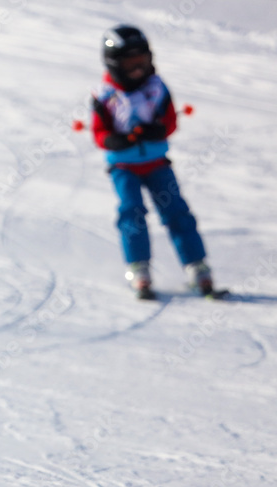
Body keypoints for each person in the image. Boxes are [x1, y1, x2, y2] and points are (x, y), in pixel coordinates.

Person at [91, 24, 215, 299]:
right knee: (132, 211)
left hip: (157, 163)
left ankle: (197, 266)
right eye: (130, 62)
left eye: (142, 61)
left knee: (176, 211)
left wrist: (157, 130)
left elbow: (169, 121)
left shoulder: (157, 89)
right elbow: (99, 133)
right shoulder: (105, 95)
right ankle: (138, 267)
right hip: (124, 167)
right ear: (114, 64)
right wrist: (116, 141)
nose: (137, 68)